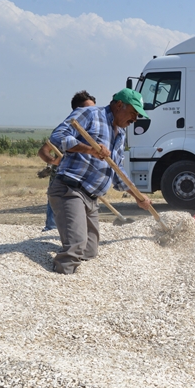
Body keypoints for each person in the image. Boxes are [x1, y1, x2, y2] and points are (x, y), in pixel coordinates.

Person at [48, 88, 152, 274]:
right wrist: (89, 149)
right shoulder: (91, 113)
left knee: (90, 250)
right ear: (119, 105)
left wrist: (137, 195)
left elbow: (117, 172)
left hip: (92, 198)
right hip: (70, 189)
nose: (135, 119)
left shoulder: (120, 135)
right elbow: (58, 136)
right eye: (133, 113)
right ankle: (60, 279)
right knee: (75, 246)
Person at [38, 90, 96, 232]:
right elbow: (43, 151)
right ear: (78, 110)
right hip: (62, 176)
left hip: (84, 177)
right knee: (57, 205)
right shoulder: (66, 130)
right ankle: (50, 229)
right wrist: (54, 161)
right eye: (88, 109)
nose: (92, 112)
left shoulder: (93, 129)